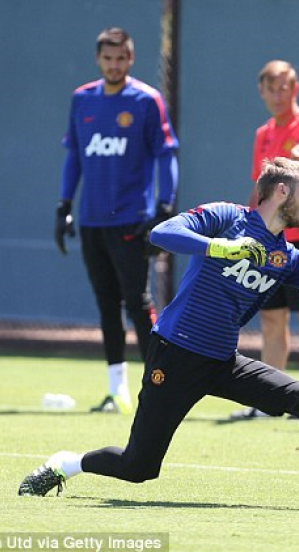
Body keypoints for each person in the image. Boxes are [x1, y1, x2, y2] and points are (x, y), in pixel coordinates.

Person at [19, 157, 299, 510]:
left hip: (222, 362)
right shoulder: (226, 217)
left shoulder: (288, 258)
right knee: (139, 467)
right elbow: (162, 233)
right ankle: (65, 464)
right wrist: (220, 247)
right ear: (282, 191)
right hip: (174, 355)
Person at [54, 27, 179, 414]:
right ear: (98, 59)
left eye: (120, 58)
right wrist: (64, 205)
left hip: (131, 220)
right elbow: (74, 156)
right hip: (92, 221)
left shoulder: (146, 100)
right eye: (107, 58)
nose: (114, 65)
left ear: (131, 58)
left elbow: (166, 154)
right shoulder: (82, 99)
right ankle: (116, 392)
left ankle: (159, 386)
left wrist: (163, 208)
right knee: (106, 304)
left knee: (137, 303)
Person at [232, 61, 299, 420]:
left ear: (295, 89)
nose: (278, 95)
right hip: (270, 241)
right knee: (272, 319)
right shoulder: (263, 134)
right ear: (261, 92)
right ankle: (270, 401)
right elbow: (259, 188)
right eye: (271, 89)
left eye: (283, 88)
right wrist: (247, 226)